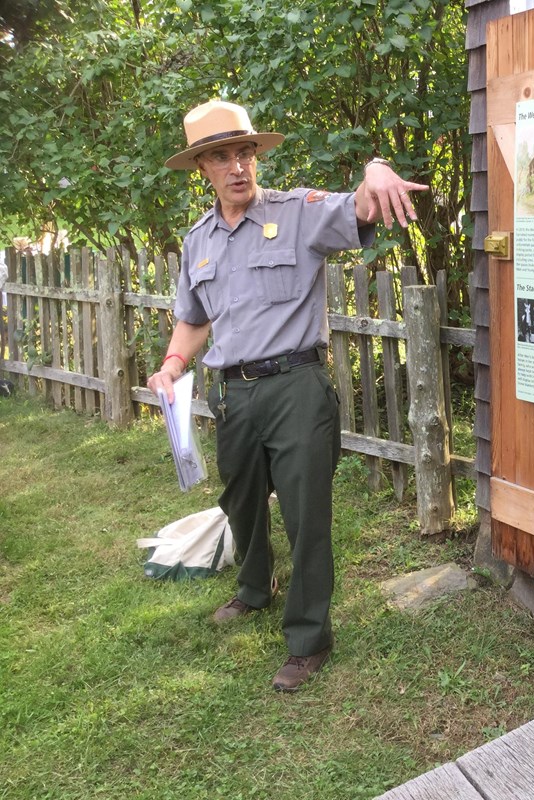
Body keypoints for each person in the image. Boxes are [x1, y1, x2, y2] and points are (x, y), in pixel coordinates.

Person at [148, 100, 428, 692]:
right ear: (202, 168)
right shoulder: (198, 240)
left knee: (306, 515)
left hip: (297, 388)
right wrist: (173, 366)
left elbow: (359, 206)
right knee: (240, 500)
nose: (237, 166)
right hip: (233, 396)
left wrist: (375, 169)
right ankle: (254, 588)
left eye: (245, 152)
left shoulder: (297, 213)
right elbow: (193, 318)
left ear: (256, 156)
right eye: (221, 156)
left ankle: (307, 638)